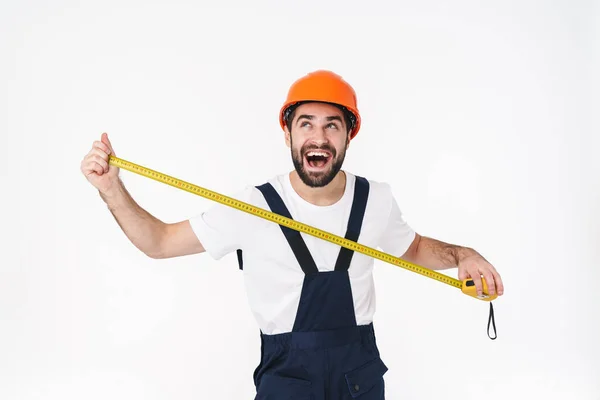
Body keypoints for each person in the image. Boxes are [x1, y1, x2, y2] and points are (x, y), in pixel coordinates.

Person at [81, 70, 504, 399]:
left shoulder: (375, 199)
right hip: (287, 382)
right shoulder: (252, 206)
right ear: (288, 132)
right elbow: (158, 242)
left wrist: (462, 255)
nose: (318, 137)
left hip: (360, 378)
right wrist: (112, 189)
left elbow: (411, 249)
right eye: (306, 124)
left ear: (348, 135)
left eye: (332, 125)